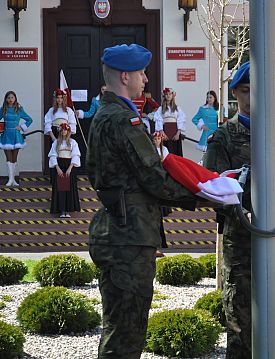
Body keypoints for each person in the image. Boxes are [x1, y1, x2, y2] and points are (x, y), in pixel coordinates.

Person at [86, 43, 199, 359]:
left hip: (118, 230)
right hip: (129, 237)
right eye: (141, 72)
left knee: (117, 328)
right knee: (126, 334)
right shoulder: (123, 120)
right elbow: (154, 178)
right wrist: (209, 194)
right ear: (125, 76)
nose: (146, 79)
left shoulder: (106, 115)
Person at [203, 61, 275, 359]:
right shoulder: (223, 137)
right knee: (240, 323)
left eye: (261, 90)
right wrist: (239, 210)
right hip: (240, 242)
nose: (254, 97)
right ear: (235, 94)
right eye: (246, 90)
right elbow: (212, 188)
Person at [0, 91, 33, 187]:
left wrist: (22, 127)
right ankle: (10, 180)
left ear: (15, 98)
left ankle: (13, 179)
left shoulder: (19, 109)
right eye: (9, 97)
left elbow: (29, 120)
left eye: (12, 97)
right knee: (8, 157)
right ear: (6, 99)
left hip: (16, 136)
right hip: (6, 135)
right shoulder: (3, 109)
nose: (10, 99)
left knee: (14, 158)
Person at [48, 123, 81, 218]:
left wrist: (70, 168)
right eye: (62, 130)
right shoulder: (56, 143)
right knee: (60, 188)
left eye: (65, 130)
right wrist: (57, 167)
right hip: (59, 165)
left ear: (68, 131)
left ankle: (68, 210)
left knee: (69, 188)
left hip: (69, 167)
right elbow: (53, 155)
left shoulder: (73, 142)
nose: (64, 132)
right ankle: (62, 210)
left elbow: (75, 155)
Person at [154, 87, 186, 156]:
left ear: (172, 95)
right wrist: (162, 132)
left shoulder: (177, 108)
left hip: (175, 131)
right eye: (166, 94)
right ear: (164, 96)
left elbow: (181, 120)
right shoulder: (161, 108)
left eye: (170, 94)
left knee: (175, 151)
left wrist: (178, 133)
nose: (168, 96)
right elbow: (158, 119)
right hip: (165, 130)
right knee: (167, 150)